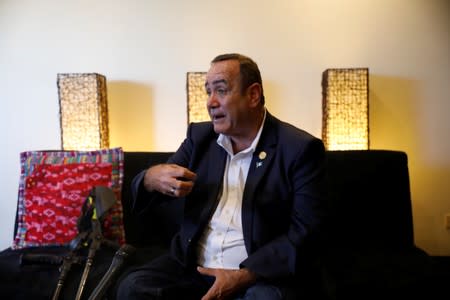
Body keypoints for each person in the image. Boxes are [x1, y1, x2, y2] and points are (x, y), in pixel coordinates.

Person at [116, 53, 328, 300]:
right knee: (133, 286)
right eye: (208, 92)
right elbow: (157, 181)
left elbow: (306, 232)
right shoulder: (200, 138)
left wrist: (246, 274)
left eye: (221, 90)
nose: (210, 102)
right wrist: (150, 177)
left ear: (253, 95)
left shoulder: (299, 149)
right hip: (193, 268)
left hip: (257, 276)